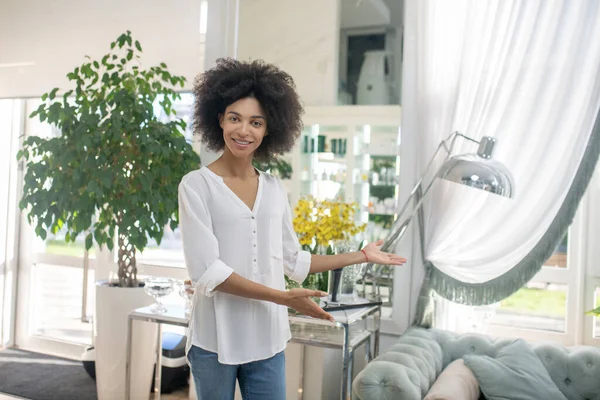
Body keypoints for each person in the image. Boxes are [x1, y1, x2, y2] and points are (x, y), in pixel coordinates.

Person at [178, 58, 406, 400]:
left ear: (269, 129)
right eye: (235, 118)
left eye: (256, 122)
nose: (244, 131)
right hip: (215, 340)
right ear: (219, 119)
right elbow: (208, 273)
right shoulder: (196, 186)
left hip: (268, 338)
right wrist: (283, 298)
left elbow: (292, 259)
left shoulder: (273, 188)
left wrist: (360, 255)